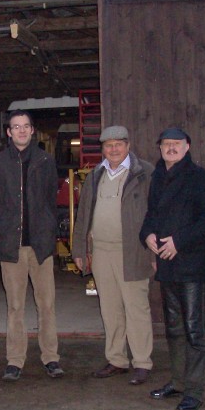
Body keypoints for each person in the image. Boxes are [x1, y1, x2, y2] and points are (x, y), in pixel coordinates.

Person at [140, 127, 205, 410]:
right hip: (167, 265)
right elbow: (151, 214)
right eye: (166, 144)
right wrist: (147, 234)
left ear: (187, 147)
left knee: (194, 330)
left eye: (176, 144)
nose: (171, 148)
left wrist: (180, 241)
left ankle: (195, 391)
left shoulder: (200, 179)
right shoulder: (159, 177)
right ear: (160, 148)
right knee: (174, 328)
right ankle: (177, 381)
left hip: (192, 265)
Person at [0, 109, 64, 381]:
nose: (20, 131)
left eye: (25, 126)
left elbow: (51, 202)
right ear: (8, 132)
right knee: (15, 305)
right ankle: (15, 360)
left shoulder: (45, 161)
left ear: (32, 131)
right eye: (15, 127)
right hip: (11, 246)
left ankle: (51, 357)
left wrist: (50, 232)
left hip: (40, 245)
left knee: (47, 304)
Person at [71, 125, 156, 385]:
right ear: (103, 149)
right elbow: (84, 213)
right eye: (109, 145)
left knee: (136, 308)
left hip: (133, 251)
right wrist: (79, 249)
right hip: (101, 251)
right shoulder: (96, 174)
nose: (114, 149)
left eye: (119, 144)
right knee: (110, 309)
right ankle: (117, 359)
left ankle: (142, 362)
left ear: (128, 145)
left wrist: (154, 252)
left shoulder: (145, 173)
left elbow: (157, 212)